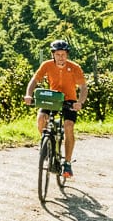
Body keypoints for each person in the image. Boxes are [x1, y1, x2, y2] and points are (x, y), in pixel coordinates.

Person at [25, 39, 86, 178]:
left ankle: (67, 163)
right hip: (52, 97)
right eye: (58, 54)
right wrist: (28, 95)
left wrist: (80, 102)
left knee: (69, 126)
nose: (60, 57)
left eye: (63, 54)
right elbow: (34, 80)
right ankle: (46, 143)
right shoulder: (46, 65)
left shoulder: (74, 67)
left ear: (67, 55)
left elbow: (83, 88)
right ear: (53, 55)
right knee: (41, 119)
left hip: (69, 100)